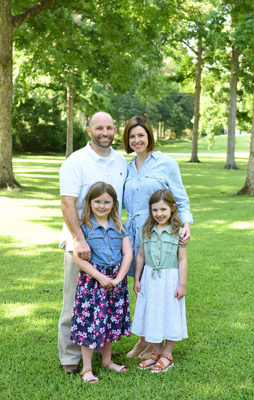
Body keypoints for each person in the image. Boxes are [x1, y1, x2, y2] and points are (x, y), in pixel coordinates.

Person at [58, 112, 127, 374]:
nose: (105, 132)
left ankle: (101, 347)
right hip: (83, 241)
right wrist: (78, 239)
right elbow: (67, 203)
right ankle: (70, 356)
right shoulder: (76, 161)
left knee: (106, 299)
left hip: (110, 241)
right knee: (75, 299)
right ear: (89, 130)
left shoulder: (120, 161)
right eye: (100, 128)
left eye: (110, 127)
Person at [123, 115, 193, 359]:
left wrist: (186, 224)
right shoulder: (126, 167)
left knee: (160, 285)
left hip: (161, 234)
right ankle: (145, 340)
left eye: (141, 135)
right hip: (134, 234)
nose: (136, 140)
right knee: (143, 288)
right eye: (132, 136)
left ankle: (154, 344)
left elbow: (181, 198)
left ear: (149, 135)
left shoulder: (166, 163)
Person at [71, 182, 133, 383]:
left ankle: (107, 361)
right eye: (97, 201)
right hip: (93, 283)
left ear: (114, 204)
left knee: (110, 320)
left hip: (115, 281)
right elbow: (78, 258)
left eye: (107, 202)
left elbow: (128, 254)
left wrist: (119, 278)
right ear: (89, 203)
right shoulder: (84, 229)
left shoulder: (119, 226)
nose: (102, 206)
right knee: (89, 322)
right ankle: (87, 368)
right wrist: (100, 277)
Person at [131, 189, 188, 372]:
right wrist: (137, 279)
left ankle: (167, 354)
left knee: (169, 313)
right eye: (155, 210)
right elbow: (140, 256)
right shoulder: (146, 230)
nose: (159, 214)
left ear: (172, 208)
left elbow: (182, 259)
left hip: (170, 279)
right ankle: (155, 352)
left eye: (163, 209)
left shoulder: (178, 231)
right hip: (149, 278)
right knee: (152, 314)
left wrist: (182, 284)